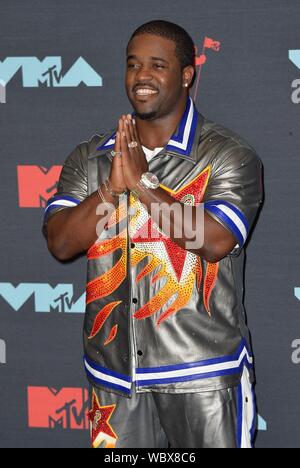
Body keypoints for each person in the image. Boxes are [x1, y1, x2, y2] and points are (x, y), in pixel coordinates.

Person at [43, 20, 263, 449]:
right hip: (114, 381)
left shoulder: (226, 154)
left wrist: (143, 184)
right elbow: (61, 243)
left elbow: (216, 240)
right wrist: (110, 188)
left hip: (202, 377)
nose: (141, 76)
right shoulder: (91, 159)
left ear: (186, 75)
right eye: (133, 65)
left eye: (157, 65)